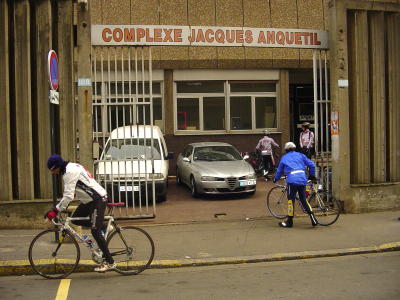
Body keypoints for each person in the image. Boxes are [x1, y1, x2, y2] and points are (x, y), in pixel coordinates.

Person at [45, 154, 116, 272]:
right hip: (88, 200)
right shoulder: (71, 167)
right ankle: (103, 226)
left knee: (94, 231)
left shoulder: (69, 172)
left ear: (57, 166)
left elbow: (68, 196)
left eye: (53, 170)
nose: (53, 173)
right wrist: (61, 205)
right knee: (76, 219)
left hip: (97, 199)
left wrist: (55, 210)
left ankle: (110, 262)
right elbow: (71, 193)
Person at [273, 142, 318, 228]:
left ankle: (289, 221)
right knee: (303, 200)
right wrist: (312, 176)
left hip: (292, 180)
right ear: (294, 148)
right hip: (302, 178)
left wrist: (275, 179)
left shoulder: (284, 158)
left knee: (290, 200)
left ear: (286, 150)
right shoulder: (300, 155)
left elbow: (279, 171)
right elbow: (312, 164)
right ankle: (313, 219)